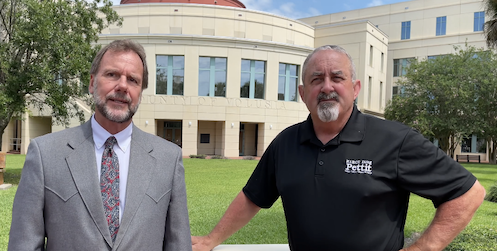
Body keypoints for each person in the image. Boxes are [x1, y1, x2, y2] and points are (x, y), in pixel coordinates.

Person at [192, 45, 486, 251]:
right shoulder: (285, 143)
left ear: (355, 88)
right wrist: (210, 240)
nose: (327, 87)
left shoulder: (395, 140)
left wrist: (422, 249)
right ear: (303, 93)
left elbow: (468, 193)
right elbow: (252, 197)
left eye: (337, 77)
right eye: (317, 79)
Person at [8, 39, 192, 251]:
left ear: (140, 92)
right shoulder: (45, 154)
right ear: (92, 82)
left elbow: (178, 245)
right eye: (112, 74)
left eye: (133, 80)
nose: (122, 86)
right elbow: (23, 244)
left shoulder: (168, 159)